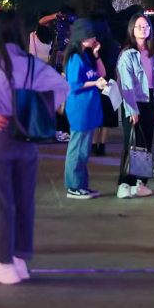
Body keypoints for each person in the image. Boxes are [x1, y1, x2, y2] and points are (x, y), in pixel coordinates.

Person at [0, 9, 70, 285]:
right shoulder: (32, 62)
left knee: (2, 200)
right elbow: (62, 88)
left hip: (0, 133)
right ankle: (19, 259)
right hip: (28, 133)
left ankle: (3, 263)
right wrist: (41, 110)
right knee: (24, 199)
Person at [116, 12, 154, 200]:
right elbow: (126, 85)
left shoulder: (152, 54)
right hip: (134, 101)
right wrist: (132, 109)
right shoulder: (127, 54)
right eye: (139, 26)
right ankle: (124, 183)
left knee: (145, 144)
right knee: (131, 143)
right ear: (132, 30)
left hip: (150, 101)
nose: (143, 29)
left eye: (146, 26)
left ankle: (140, 184)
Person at [62, 19, 107, 200]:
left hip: (89, 108)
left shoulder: (86, 56)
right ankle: (73, 187)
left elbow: (101, 73)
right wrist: (95, 83)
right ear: (82, 37)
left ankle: (81, 185)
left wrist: (96, 54)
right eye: (91, 35)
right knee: (77, 149)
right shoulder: (74, 59)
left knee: (84, 150)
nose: (94, 38)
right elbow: (74, 84)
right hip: (79, 109)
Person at [89, 11, 120, 156]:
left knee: (95, 114)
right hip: (110, 82)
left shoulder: (93, 45)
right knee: (106, 116)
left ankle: (94, 145)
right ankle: (102, 146)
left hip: (95, 82)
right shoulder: (113, 44)